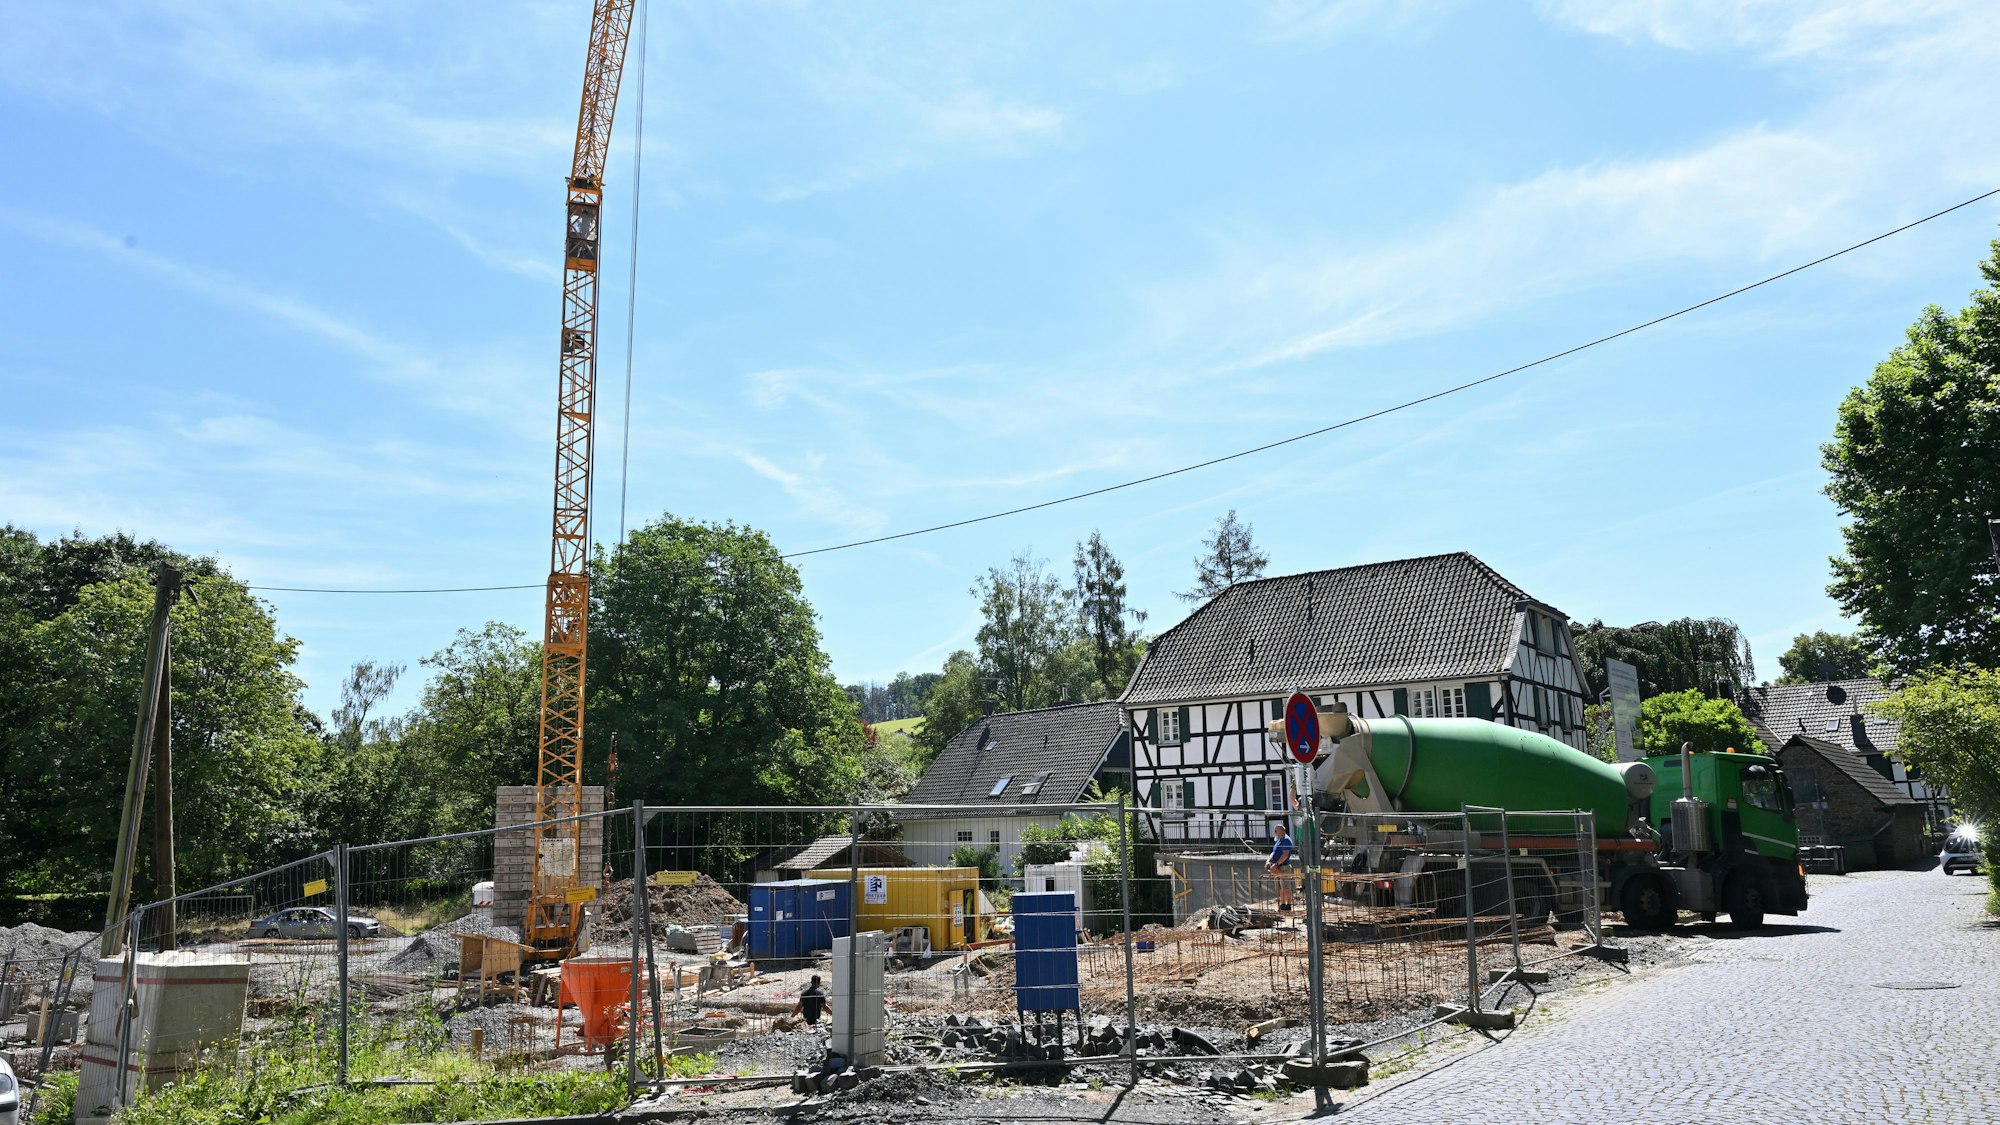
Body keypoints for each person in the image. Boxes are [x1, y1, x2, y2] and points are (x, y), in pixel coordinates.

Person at [1267, 824, 1297, 911]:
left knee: (1286, 887)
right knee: (1280, 887)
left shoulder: (1286, 840)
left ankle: (1288, 905)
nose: (1275, 832)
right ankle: (1283, 904)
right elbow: (1273, 853)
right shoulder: (1279, 841)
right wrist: (1268, 861)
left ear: (1281, 831)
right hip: (1278, 867)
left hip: (1284, 867)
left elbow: (1285, 855)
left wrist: (1275, 864)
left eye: (1276, 831)